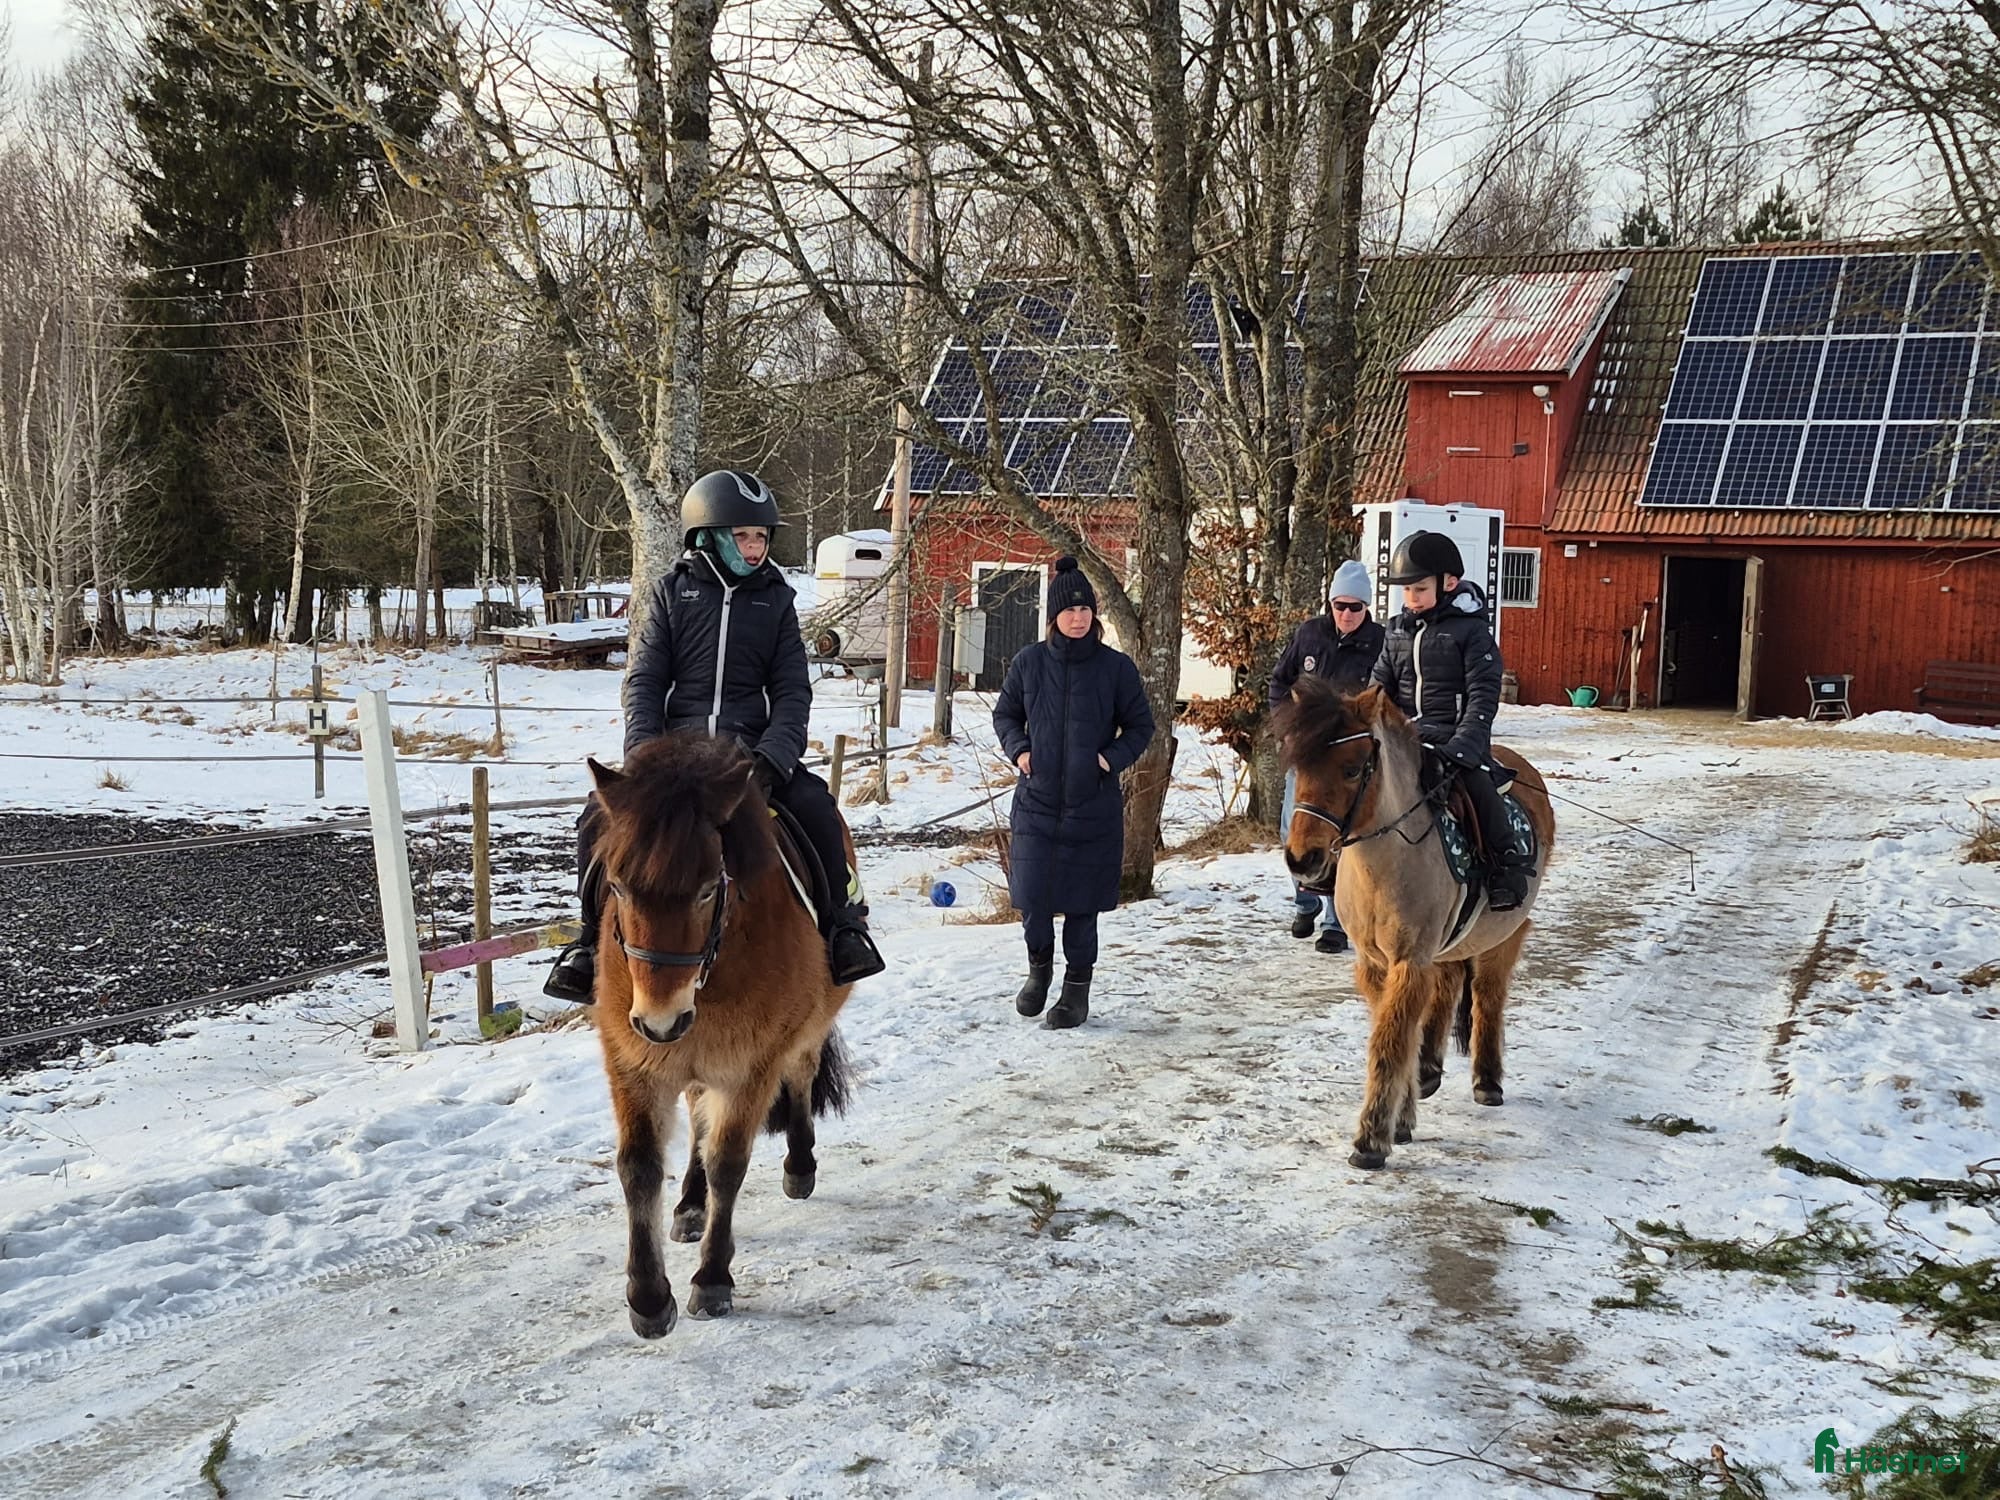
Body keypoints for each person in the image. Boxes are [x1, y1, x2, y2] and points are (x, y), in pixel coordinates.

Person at [543, 470, 886, 1003]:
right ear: (708, 536)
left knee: (817, 809)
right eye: (743, 536)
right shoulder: (670, 594)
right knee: (594, 819)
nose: (754, 548)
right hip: (673, 762)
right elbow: (646, 680)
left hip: (747, 759)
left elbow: (793, 690)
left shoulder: (775, 601)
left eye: (762, 537)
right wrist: (641, 758)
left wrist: (773, 759)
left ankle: (843, 928)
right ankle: (588, 942)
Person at [991, 557, 1155, 1030]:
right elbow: (1005, 716)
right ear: (1053, 617)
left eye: (1086, 610)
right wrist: (1020, 750)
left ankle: (1076, 991)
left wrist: (1107, 759)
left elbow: (1140, 725)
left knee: (1083, 908)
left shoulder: (1115, 669)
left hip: (1093, 807)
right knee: (1034, 902)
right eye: (1070, 610)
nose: (1079, 618)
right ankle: (1038, 972)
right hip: (1037, 805)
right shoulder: (1029, 664)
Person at [1371, 530, 1533, 911]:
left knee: (1477, 787)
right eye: (1406, 591)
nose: (1411, 599)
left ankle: (1505, 864)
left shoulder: (1472, 631)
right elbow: (1379, 688)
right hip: (1404, 739)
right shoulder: (1395, 631)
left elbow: (1483, 692)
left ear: (1449, 583)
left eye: (1420, 589)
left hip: (1454, 738)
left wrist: (1466, 744)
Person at [1270, 558, 1385, 953]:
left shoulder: (1380, 641)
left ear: (1366, 607)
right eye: (1340, 606)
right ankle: (1305, 901)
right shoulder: (1309, 635)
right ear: (1330, 604)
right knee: (1293, 829)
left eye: (1356, 607)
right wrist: (1287, 730)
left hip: (1345, 758)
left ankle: (1336, 922)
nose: (1347, 614)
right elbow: (1280, 683)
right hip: (1308, 749)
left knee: (1340, 835)